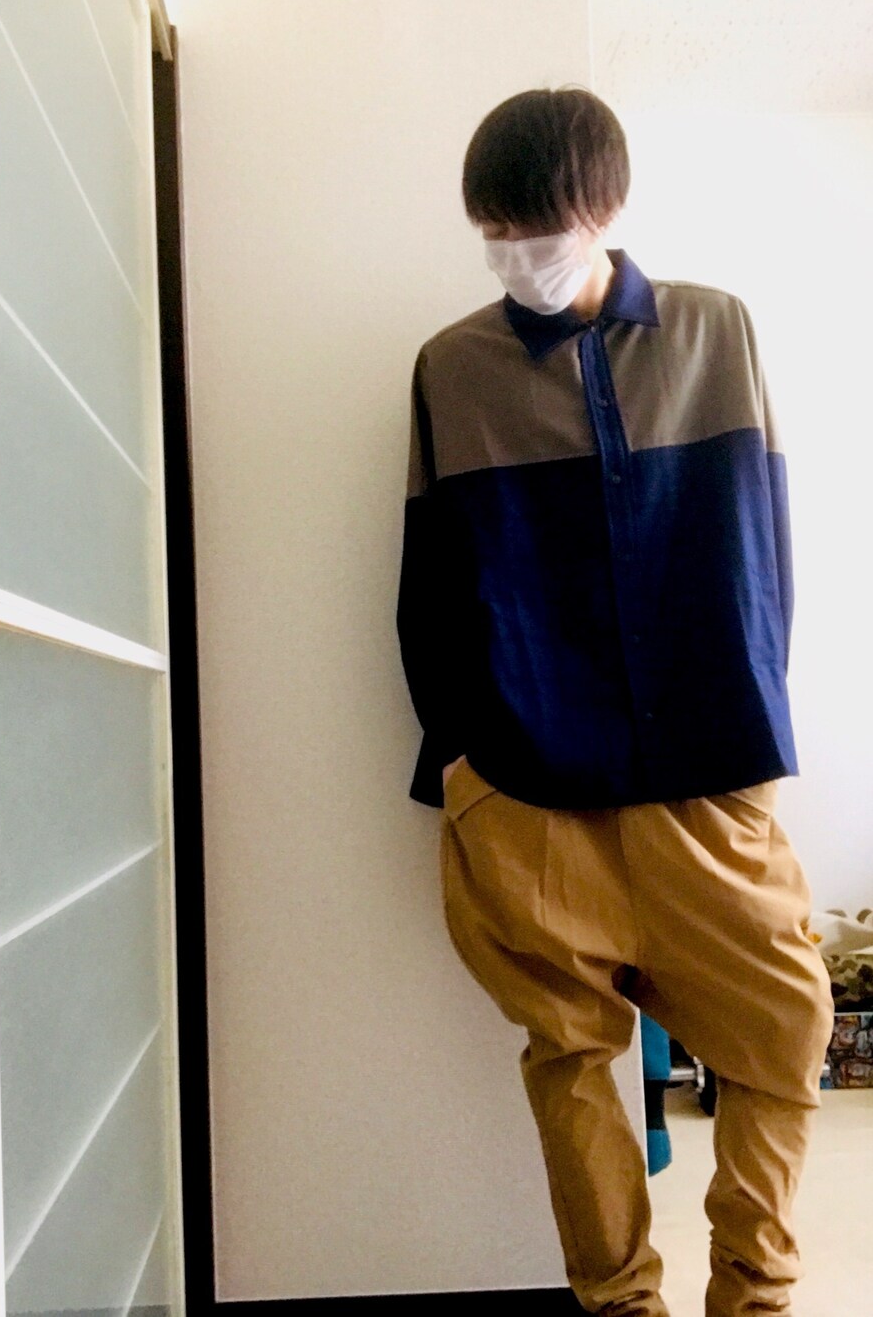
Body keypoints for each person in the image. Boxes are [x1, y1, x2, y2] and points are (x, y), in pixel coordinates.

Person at [395, 86, 834, 1317]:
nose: (518, 254)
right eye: (496, 232)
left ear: (609, 210)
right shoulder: (451, 368)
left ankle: (753, 1289)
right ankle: (618, 1303)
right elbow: (431, 577)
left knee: (786, 1037)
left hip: (703, 773)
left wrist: (752, 728)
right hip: (527, 786)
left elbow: (759, 546)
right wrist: (461, 764)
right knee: (574, 1057)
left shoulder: (713, 330)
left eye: (539, 227)